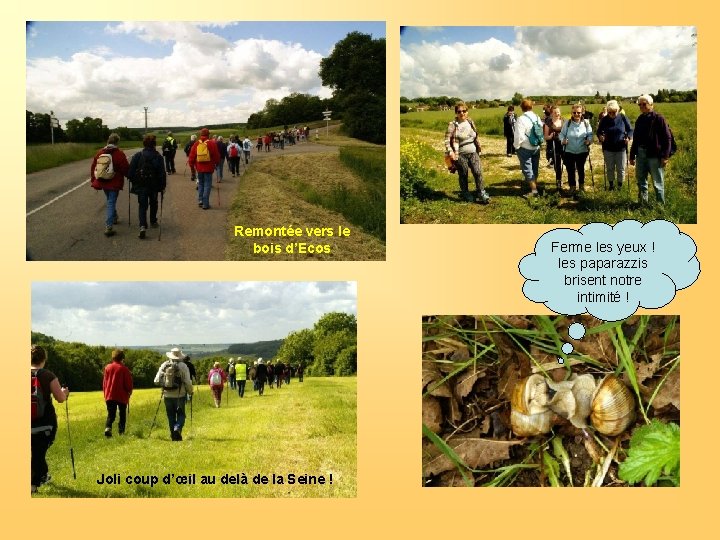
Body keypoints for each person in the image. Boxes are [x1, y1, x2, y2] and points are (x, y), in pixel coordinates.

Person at [31, 345, 69, 493]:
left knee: (36, 452)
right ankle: (33, 485)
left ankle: (43, 475)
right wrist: (65, 392)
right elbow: (60, 398)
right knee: (38, 452)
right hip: (44, 423)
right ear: (43, 359)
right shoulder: (47, 375)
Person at [629, 94, 672, 205]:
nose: (642, 106)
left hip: (654, 155)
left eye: (644, 104)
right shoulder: (639, 119)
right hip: (640, 154)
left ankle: (660, 206)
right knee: (641, 180)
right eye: (640, 104)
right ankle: (643, 204)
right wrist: (632, 155)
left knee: (658, 182)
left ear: (651, 104)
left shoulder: (659, 118)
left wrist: (665, 156)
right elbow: (636, 139)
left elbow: (667, 138)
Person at [444, 101, 490, 204]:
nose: (462, 113)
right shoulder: (452, 125)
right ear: (456, 113)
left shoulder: (470, 122)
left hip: (473, 152)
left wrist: (478, 146)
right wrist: (450, 152)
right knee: (463, 175)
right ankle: (465, 193)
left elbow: (475, 136)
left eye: (464, 111)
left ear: (467, 111)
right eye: (459, 111)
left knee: (478, 173)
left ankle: (481, 192)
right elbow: (447, 141)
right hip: (460, 155)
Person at [128, 134, 167, 239]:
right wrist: (163, 186)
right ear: (154, 144)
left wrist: (134, 181)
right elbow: (162, 173)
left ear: (144, 143)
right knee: (154, 203)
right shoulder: (158, 157)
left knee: (142, 205)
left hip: (141, 185)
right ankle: (153, 221)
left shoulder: (137, 156)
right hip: (154, 185)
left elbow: (130, 173)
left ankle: (142, 226)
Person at [90, 133, 130, 237]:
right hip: (114, 182)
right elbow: (125, 168)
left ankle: (114, 217)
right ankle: (109, 226)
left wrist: (93, 179)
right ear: (117, 142)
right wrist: (130, 176)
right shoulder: (119, 154)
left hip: (103, 181)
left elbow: (94, 167)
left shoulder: (100, 152)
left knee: (110, 201)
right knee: (111, 202)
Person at [153, 347, 193, 441]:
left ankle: (173, 436)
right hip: (180, 395)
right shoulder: (183, 366)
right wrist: (190, 391)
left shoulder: (164, 365)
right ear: (180, 356)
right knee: (181, 415)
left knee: (170, 416)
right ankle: (177, 429)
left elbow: (156, 380)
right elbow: (187, 382)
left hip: (167, 395)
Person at [597, 100, 633, 191]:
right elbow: (598, 131)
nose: (612, 114)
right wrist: (600, 136)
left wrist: (628, 137)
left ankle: (620, 186)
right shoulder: (604, 120)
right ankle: (611, 185)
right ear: (607, 111)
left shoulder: (623, 117)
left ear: (618, 110)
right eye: (610, 112)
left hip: (621, 148)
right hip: (608, 148)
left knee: (621, 168)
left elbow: (630, 130)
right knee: (610, 168)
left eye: (614, 112)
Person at [560, 104, 593, 198]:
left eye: (578, 112)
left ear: (582, 112)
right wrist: (563, 140)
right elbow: (561, 134)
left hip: (582, 150)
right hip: (569, 150)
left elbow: (590, 134)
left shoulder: (586, 123)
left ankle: (581, 187)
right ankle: (572, 187)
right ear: (571, 113)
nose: (576, 114)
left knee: (581, 169)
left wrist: (589, 140)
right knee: (570, 170)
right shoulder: (568, 123)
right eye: (574, 112)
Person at [513, 99, 542, 198]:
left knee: (527, 169)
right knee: (534, 168)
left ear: (521, 108)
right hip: (536, 146)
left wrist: (516, 147)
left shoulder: (521, 119)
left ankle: (534, 191)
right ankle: (534, 186)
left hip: (525, 147)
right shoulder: (537, 117)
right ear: (532, 107)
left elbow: (518, 136)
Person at [102, 349, 133, 437]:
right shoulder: (124, 369)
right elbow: (128, 384)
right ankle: (121, 432)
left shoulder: (107, 367)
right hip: (121, 396)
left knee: (111, 414)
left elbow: (104, 382)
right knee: (122, 414)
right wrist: (129, 391)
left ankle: (108, 428)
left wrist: (105, 393)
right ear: (122, 358)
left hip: (110, 395)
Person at [188, 127, 221, 210]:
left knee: (201, 184)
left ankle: (200, 201)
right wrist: (217, 163)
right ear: (208, 135)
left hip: (199, 168)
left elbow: (191, 156)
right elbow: (216, 156)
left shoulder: (196, 144)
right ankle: (205, 204)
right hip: (209, 168)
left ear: (200, 134)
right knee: (207, 185)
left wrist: (192, 166)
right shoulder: (211, 143)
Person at [544, 106, 564, 191]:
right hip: (554, 146)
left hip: (564, 145)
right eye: (555, 112)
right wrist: (550, 136)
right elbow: (545, 137)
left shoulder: (564, 122)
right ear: (552, 114)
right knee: (557, 164)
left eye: (558, 112)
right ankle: (558, 180)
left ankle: (572, 182)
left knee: (569, 163)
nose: (557, 114)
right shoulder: (548, 123)